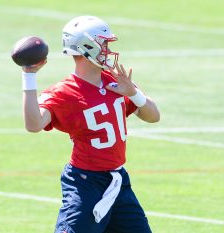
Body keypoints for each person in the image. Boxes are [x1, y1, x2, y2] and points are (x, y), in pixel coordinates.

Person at [21, 15, 160, 233]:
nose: (107, 49)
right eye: (103, 44)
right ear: (87, 46)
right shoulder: (65, 91)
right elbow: (34, 124)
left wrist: (134, 93)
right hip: (85, 183)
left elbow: (153, 116)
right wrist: (29, 76)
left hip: (118, 181)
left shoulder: (115, 80)